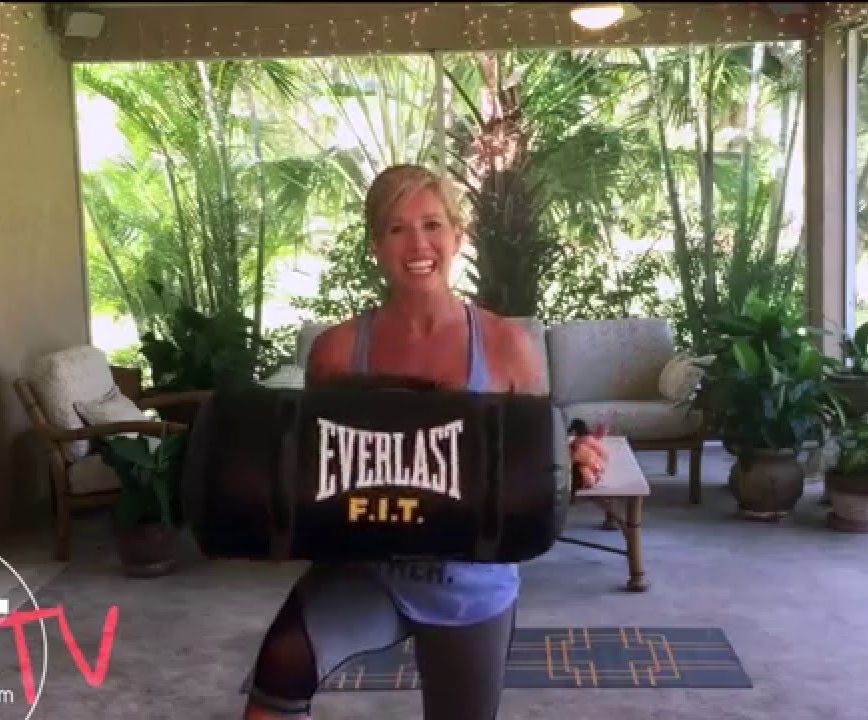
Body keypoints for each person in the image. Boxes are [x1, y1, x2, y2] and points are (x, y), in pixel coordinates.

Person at [243, 164, 609, 720]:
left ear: (458, 236)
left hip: (469, 586)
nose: (418, 244)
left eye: (433, 225)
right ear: (376, 245)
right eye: (397, 228)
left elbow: (533, 452)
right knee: (281, 664)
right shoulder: (337, 352)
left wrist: (571, 455)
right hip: (367, 572)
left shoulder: (507, 346)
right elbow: (320, 473)